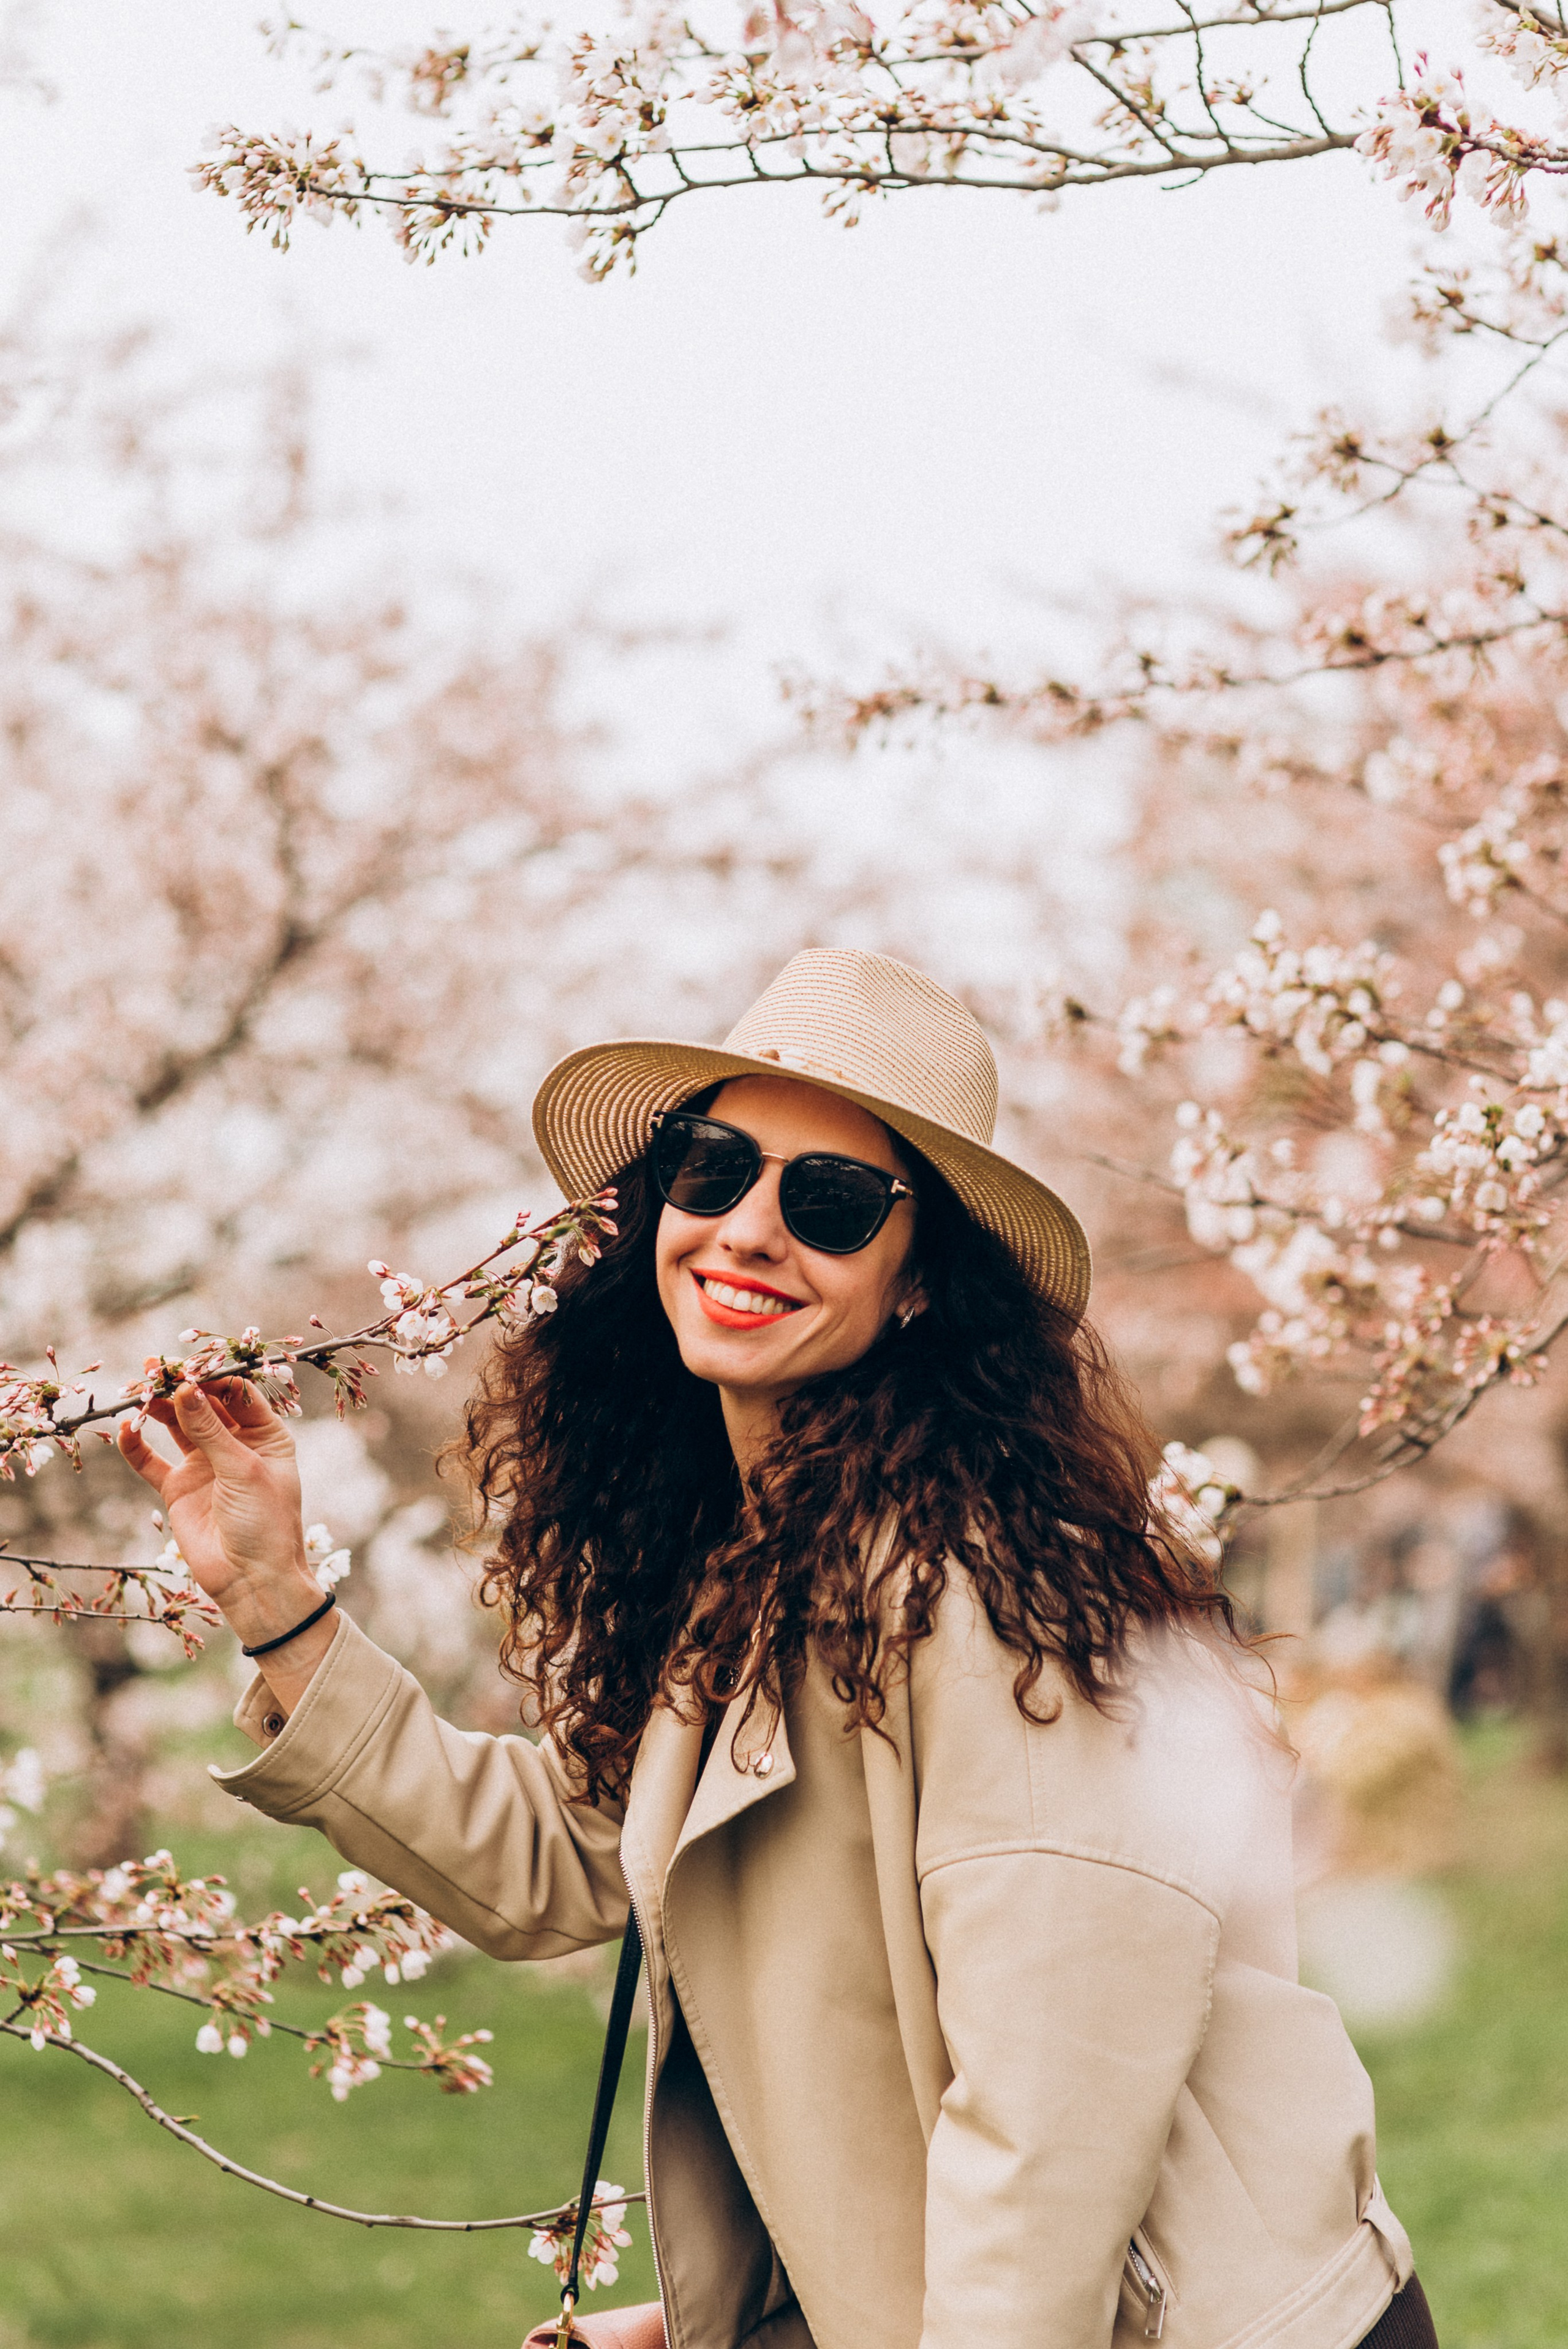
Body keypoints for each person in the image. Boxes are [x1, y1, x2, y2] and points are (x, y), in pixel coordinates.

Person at [119, 948, 1438, 2349]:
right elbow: (570, 1857)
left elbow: (1051, 2119)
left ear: (920, 1279)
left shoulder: (991, 1587)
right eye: (712, 1166)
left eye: (827, 1202)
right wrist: (276, 1600)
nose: (747, 1229)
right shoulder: (760, 1555)